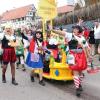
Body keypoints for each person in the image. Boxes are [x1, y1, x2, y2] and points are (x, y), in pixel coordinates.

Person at [53, 26, 90, 97]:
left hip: (81, 55)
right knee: (75, 71)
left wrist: (89, 56)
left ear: (79, 30)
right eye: (73, 29)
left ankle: (79, 84)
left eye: (75, 29)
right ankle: (77, 88)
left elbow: (85, 47)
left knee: (80, 72)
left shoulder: (82, 38)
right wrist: (53, 30)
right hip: (72, 56)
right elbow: (61, 32)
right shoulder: (70, 35)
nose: (74, 30)